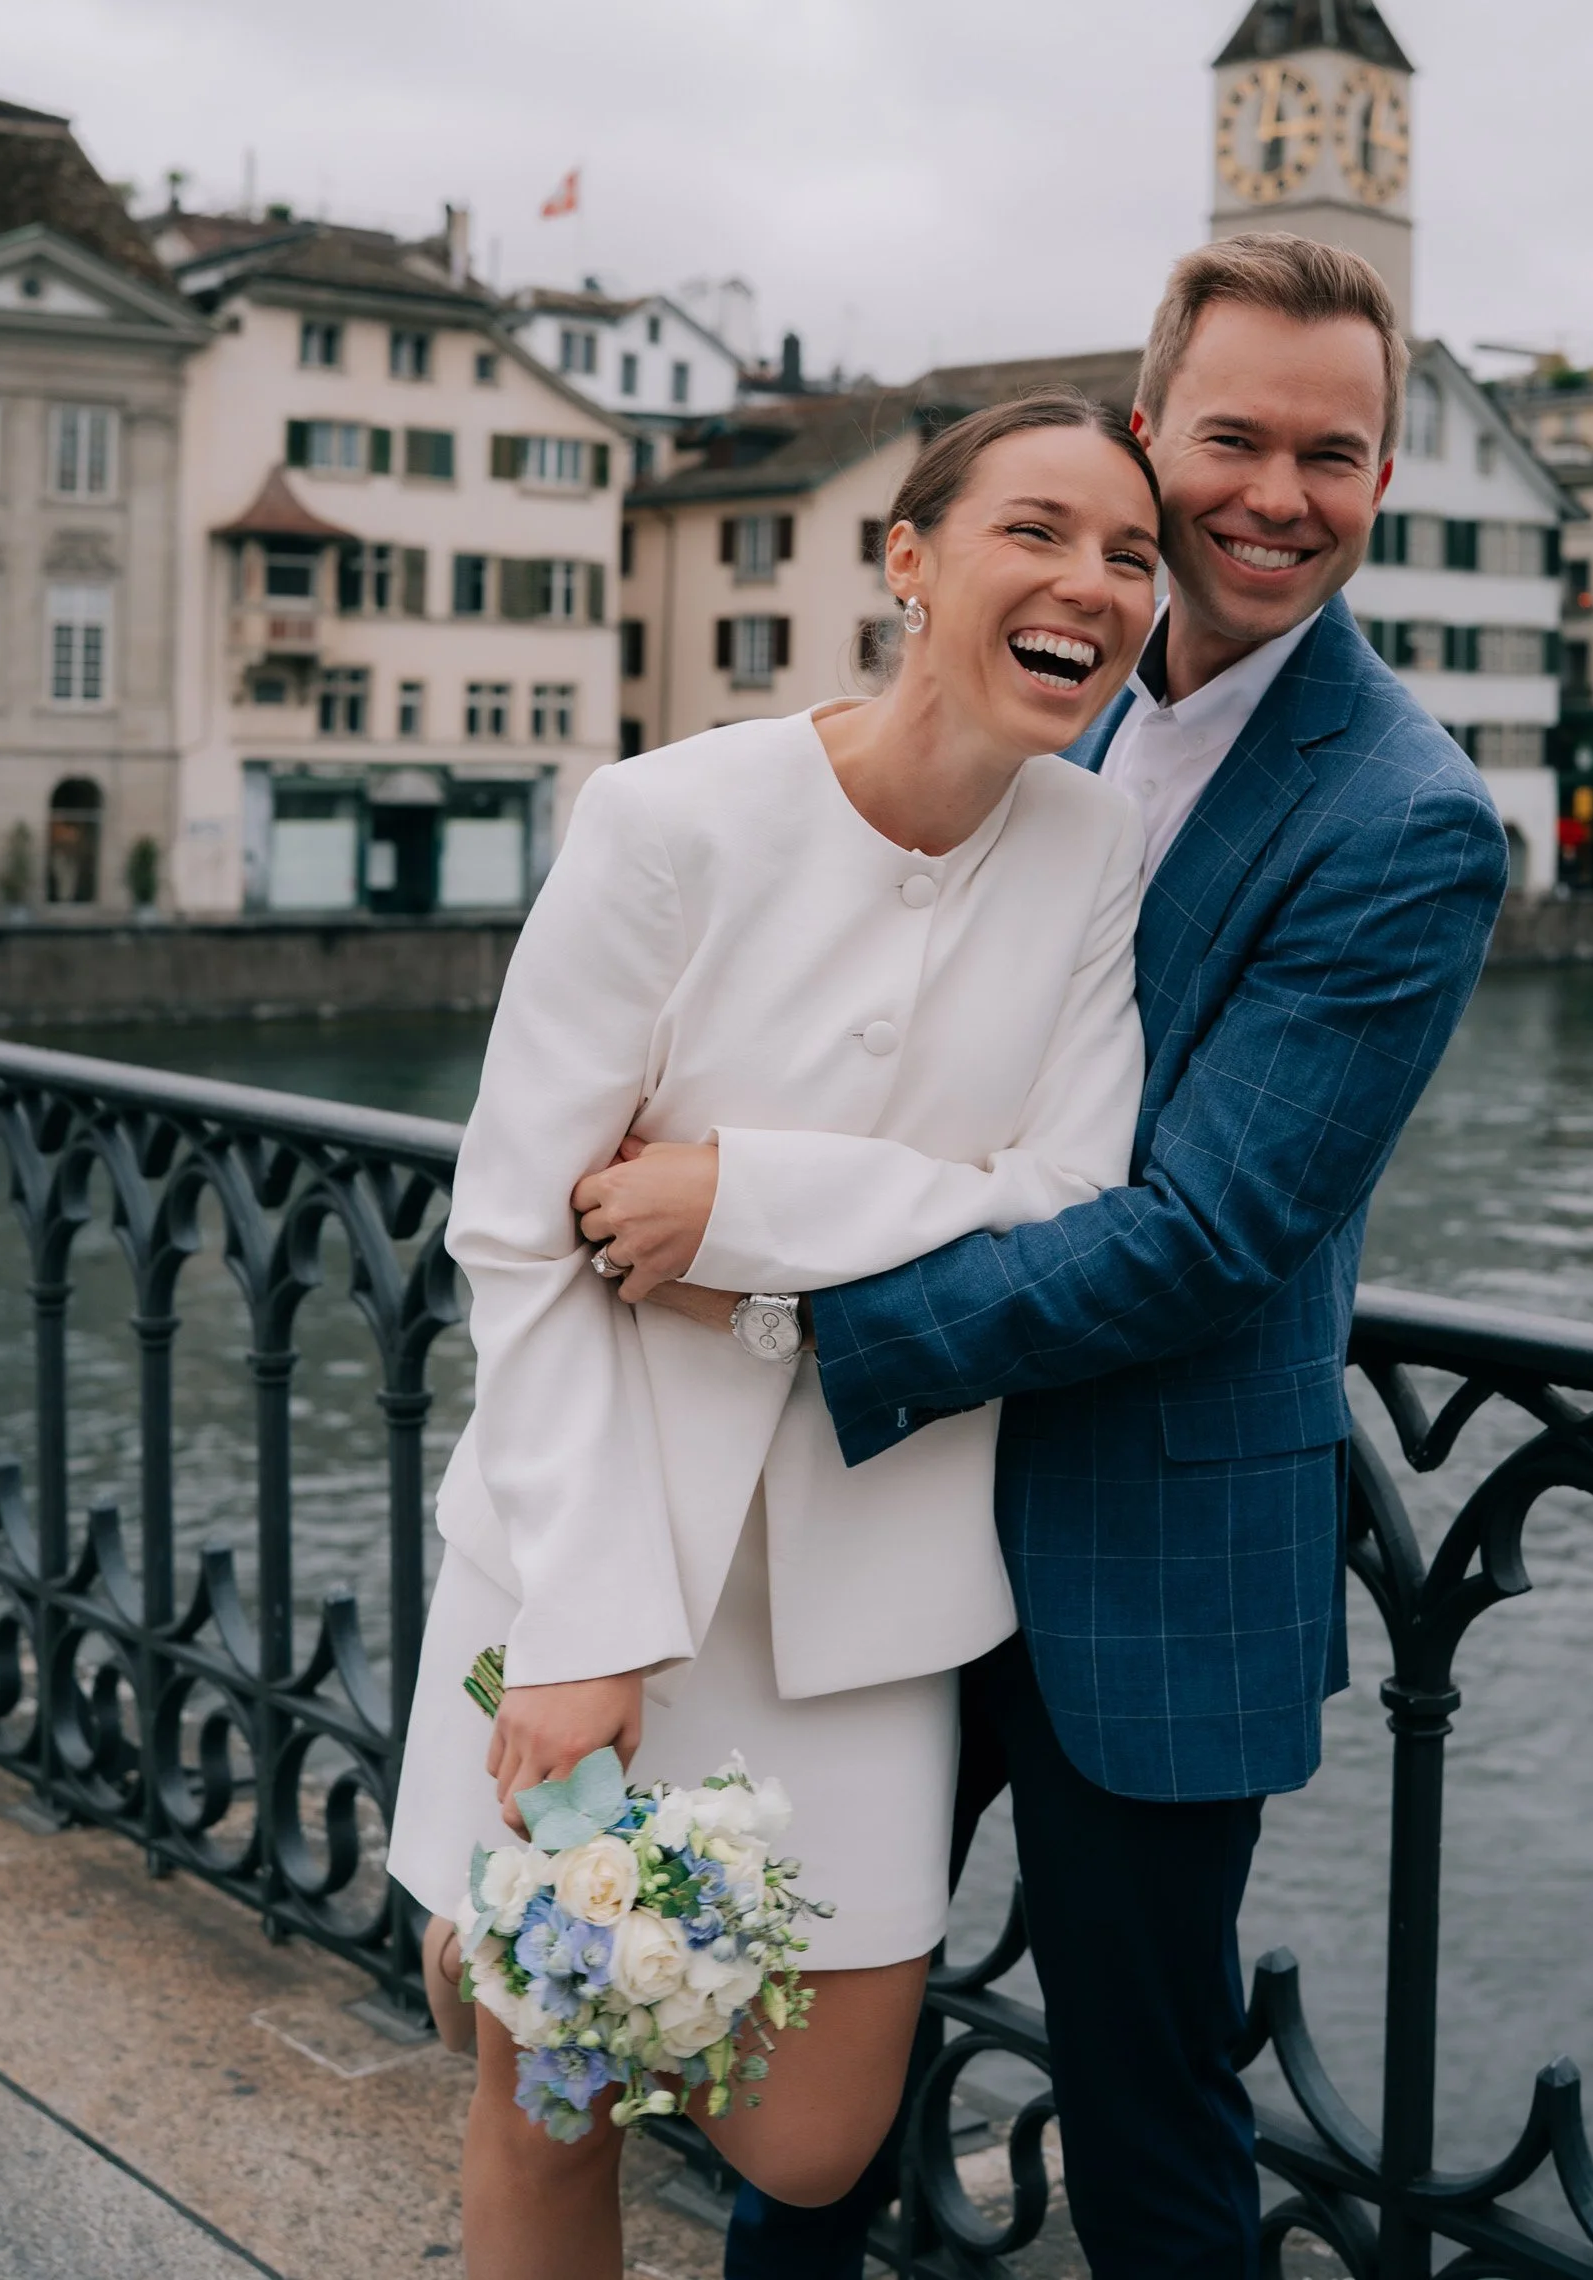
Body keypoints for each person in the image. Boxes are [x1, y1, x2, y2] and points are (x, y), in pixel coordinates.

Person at [598, 233, 1511, 2278]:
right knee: (793, 2043)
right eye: (1237, 440)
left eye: (1334, 455)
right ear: (1146, 439)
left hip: (1147, 1560)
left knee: (1150, 2117)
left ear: (1383, 485)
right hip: (897, 1524)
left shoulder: (1405, 817)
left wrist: (779, 1286)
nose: (1280, 494)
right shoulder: (1058, 699)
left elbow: (1204, 1241)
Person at [388, 392, 1166, 2278]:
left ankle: (490, 1950)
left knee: (817, 2143)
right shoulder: (669, 820)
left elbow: (1067, 1191)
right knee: (553, 2104)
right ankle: (512, 1982)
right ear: (909, 559)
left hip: (863, 1596)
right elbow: (519, 1232)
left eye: (1133, 556)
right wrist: (580, 1635)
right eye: (1039, 533)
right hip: (593, 1552)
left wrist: (739, 1198)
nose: (1094, 584)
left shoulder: (1092, 844)